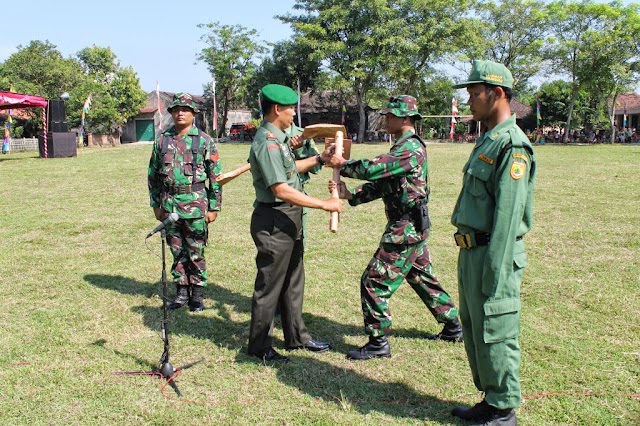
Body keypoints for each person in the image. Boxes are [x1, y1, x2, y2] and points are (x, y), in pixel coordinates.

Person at [326, 95, 462, 361]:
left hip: (406, 228)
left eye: (391, 115)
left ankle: (378, 342)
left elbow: (375, 169)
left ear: (406, 119)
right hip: (410, 225)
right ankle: (453, 325)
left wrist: (342, 165)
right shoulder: (402, 147)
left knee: (374, 280)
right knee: (420, 276)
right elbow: (383, 184)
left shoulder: (409, 149)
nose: (386, 119)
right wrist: (350, 195)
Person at [449, 60, 537, 426]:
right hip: (472, 250)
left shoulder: (513, 146)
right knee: (473, 326)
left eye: (474, 93)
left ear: (497, 93)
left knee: (496, 327)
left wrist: (495, 270)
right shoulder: (488, 138)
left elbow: (507, 216)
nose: (469, 101)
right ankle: (490, 397)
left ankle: (504, 409)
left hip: (493, 252)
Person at [247, 84, 342, 363]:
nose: (293, 115)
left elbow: (290, 169)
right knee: (270, 285)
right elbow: (281, 188)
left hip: (289, 216)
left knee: (292, 280)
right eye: (291, 109)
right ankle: (259, 346)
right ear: (277, 109)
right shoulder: (266, 141)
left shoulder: (278, 139)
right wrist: (325, 204)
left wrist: (319, 159)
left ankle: (296, 337)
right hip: (275, 218)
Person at [148, 92, 222, 312]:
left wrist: (214, 206)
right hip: (169, 204)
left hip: (196, 204)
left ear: (194, 114)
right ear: (172, 113)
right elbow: (152, 175)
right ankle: (181, 292)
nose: (180, 113)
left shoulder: (205, 141)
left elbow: (215, 177)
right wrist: (155, 204)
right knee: (176, 249)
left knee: (196, 250)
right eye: (177, 110)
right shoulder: (162, 139)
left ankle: (197, 295)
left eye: (185, 110)